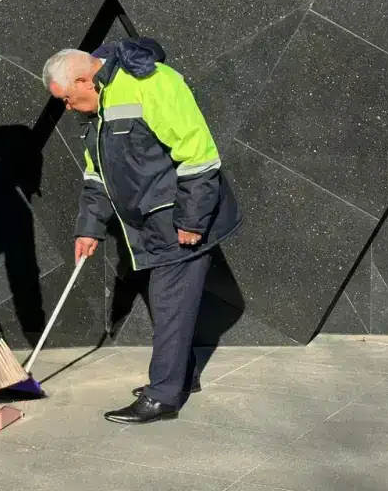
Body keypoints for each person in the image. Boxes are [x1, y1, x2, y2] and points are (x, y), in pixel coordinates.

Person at [42, 38, 241, 424]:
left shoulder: (151, 81)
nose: (66, 108)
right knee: (170, 304)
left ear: (84, 79)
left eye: (66, 98)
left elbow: (198, 154)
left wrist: (191, 221)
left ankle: (163, 396)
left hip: (177, 219)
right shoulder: (98, 109)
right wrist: (90, 228)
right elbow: (96, 177)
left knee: (168, 303)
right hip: (151, 224)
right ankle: (180, 375)